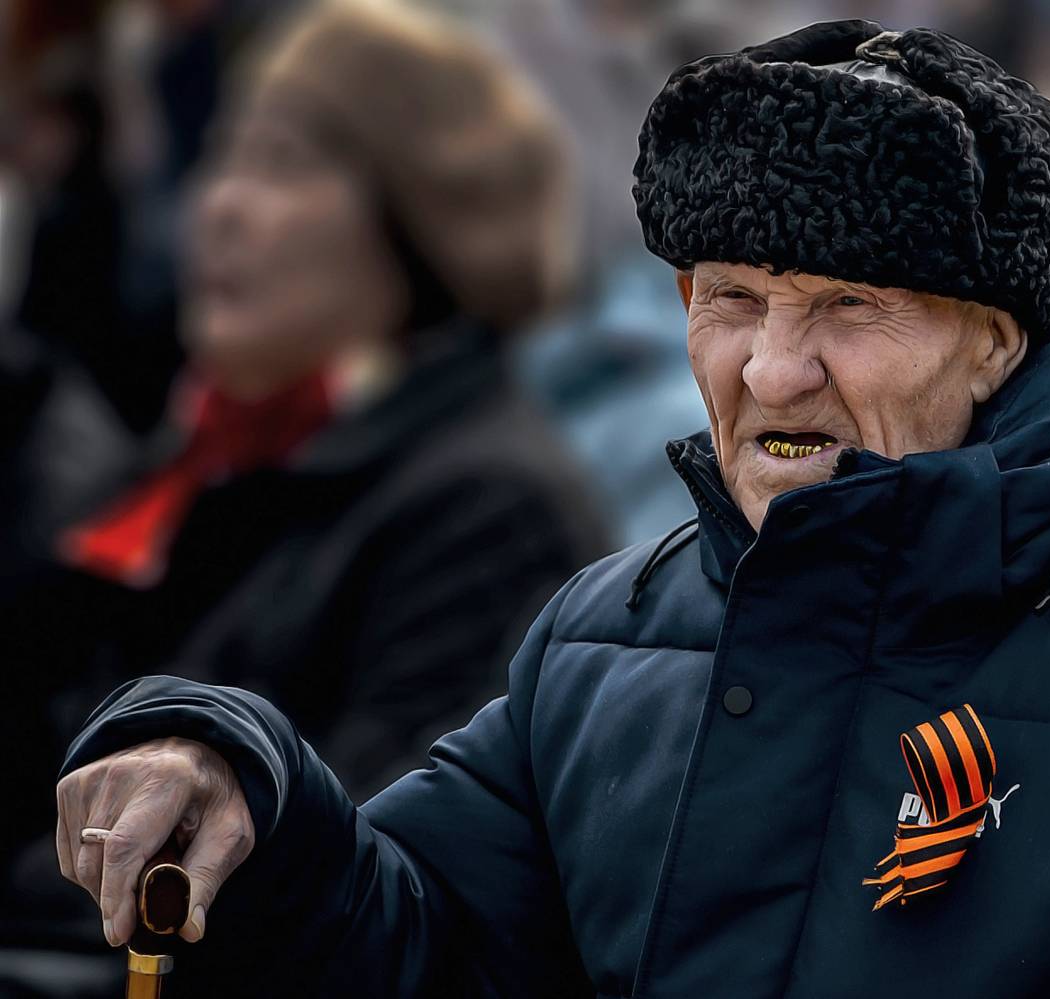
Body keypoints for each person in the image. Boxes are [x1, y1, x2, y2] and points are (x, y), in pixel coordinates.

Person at [53, 19, 1050, 997]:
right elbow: (421, 943)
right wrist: (248, 788)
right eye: (731, 300)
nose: (769, 368)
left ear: (998, 340)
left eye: (850, 308)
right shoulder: (608, 636)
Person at [5, 0, 607, 966]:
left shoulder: (487, 511)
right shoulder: (207, 455)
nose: (219, 205)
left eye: (279, 163)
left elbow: (371, 885)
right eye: (221, 157)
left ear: (417, 222)